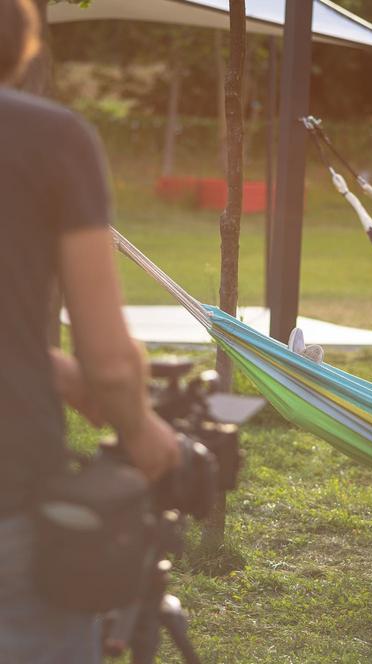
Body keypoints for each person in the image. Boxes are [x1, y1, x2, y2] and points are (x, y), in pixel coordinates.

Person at [0, 1, 180, 662]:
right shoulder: (49, 138)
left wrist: (39, 363)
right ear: (22, 44)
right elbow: (107, 359)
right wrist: (144, 433)